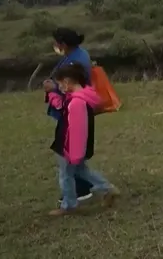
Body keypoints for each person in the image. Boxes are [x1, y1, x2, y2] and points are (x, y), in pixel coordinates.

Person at [47, 63, 119, 216]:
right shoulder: (82, 97)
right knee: (81, 170)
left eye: (59, 84)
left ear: (67, 82)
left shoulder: (76, 103)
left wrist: (72, 153)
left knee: (66, 175)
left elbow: (76, 130)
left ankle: (69, 205)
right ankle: (106, 188)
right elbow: (62, 105)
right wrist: (52, 95)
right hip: (74, 147)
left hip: (68, 147)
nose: (59, 87)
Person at [43, 28, 94, 205]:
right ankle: (86, 187)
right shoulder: (77, 54)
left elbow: (73, 84)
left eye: (57, 42)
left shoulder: (75, 61)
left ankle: (79, 191)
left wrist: (53, 88)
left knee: (69, 153)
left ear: (63, 44)